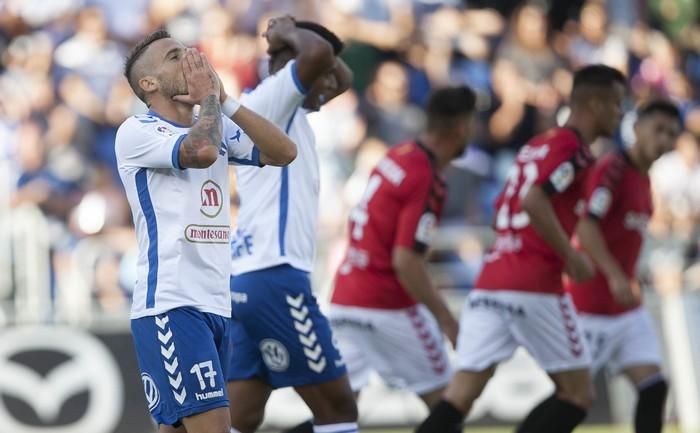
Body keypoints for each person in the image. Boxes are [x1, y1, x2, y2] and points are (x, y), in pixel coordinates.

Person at [416, 64, 627, 433]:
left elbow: (502, 212)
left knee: (459, 397)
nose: (620, 113)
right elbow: (533, 200)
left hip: (492, 279)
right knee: (578, 394)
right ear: (594, 102)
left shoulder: (536, 145)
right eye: (617, 104)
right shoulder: (574, 151)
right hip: (535, 284)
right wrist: (571, 254)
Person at [116, 30, 296, 433]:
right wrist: (211, 99)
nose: (192, 58)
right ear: (149, 83)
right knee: (214, 427)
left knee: (179, 429)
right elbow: (200, 153)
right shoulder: (137, 131)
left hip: (215, 302)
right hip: (171, 303)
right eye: (175, 56)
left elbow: (283, 152)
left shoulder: (211, 123)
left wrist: (225, 99)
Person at [225, 16, 357, 433]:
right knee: (338, 411)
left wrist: (315, 52)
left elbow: (343, 74)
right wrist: (283, 35)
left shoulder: (276, 106)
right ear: (294, 65)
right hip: (275, 277)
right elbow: (316, 56)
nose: (332, 86)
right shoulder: (275, 98)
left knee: (239, 418)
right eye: (324, 77)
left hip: (246, 280)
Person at [325, 86, 476, 412]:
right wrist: (448, 321)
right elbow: (406, 260)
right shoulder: (426, 177)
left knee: (337, 417)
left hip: (346, 297)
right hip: (386, 304)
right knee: (450, 404)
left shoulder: (398, 155)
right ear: (462, 127)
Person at [566, 100, 682, 433]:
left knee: (654, 387)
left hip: (625, 309)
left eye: (671, 134)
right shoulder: (613, 169)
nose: (663, 140)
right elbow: (586, 227)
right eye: (658, 130)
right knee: (571, 401)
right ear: (636, 128)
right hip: (590, 305)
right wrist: (617, 276)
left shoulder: (644, 180)